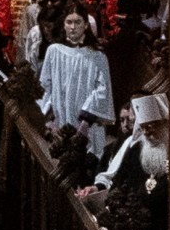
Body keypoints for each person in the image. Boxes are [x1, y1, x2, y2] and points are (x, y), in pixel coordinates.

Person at [36, 9, 113, 156]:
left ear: (85, 25)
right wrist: (49, 120)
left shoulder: (97, 56)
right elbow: (45, 85)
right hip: (60, 119)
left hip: (87, 123)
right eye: (69, 22)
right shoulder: (54, 51)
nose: (73, 27)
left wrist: (85, 123)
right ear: (63, 25)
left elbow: (103, 90)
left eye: (77, 22)